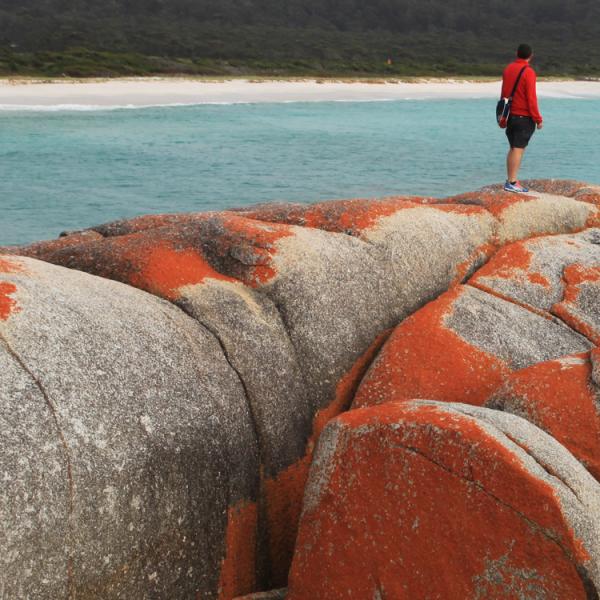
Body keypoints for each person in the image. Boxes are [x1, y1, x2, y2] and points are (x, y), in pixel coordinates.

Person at [501, 44, 543, 193]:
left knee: (513, 148)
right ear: (531, 55)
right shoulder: (529, 72)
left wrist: (503, 117)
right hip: (524, 117)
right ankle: (512, 182)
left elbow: (504, 93)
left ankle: (510, 180)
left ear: (516, 53)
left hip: (511, 115)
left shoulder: (508, 69)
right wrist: (538, 119)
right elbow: (531, 98)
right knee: (518, 149)